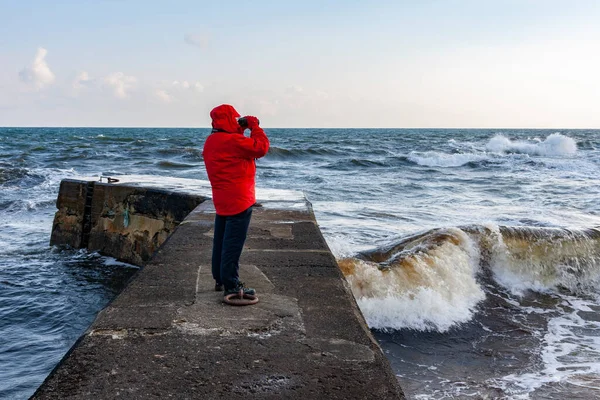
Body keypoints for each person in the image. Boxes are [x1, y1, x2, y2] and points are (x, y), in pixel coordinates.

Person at [202, 104, 270, 299]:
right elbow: (261, 148)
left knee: (221, 241)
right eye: (235, 119)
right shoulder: (232, 141)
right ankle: (231, 284)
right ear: (230, 120)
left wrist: (240, 128)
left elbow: (233, 141)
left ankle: (220, 278)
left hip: (222, 199)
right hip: (239, 200)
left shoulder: (212, 140)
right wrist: (254, 126)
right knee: (233, 244)